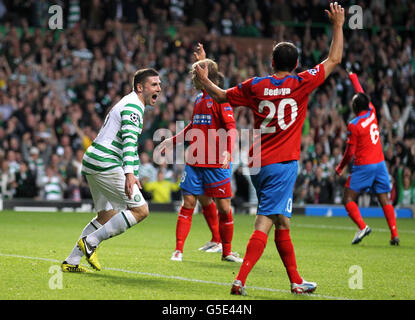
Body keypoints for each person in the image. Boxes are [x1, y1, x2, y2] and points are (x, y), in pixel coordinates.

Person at [195, 2, 345, 295]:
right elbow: (334, 59)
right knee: (265, 221)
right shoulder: (301, 82)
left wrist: (204, 81)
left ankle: (295, 281)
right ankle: (240, 280)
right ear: (296, 63)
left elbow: (223, 96)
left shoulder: (256, 85)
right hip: (282, 163)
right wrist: (338, 25)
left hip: (256, 164)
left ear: (272, 63)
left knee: (282, 220)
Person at [61, 68, 161, 272]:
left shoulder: (128, 102)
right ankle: (91, 242)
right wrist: (130, 173)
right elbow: (130, 143)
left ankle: (71, 261)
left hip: (93, 159)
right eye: (154, 84)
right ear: (140, 87)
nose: (158, 88)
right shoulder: (134, 107)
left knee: (106, 214)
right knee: (141, 210)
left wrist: (132, 171)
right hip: (105, 162)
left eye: (159, 84)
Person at [160, 43, 241, 263]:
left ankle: (226, 251)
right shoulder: (199, 99)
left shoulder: (220, 100)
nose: (192, 78)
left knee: (224, 208)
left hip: (216, 163)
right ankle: (178, 250)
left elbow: (232, 129)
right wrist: (173, 140)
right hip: (195, 161)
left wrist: (227, 152)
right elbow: (193, 127)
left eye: (196, 73)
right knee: (188, 203)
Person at [335, 71, 400, 246]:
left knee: (348, 198)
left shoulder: (354, 125)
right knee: (383, 197)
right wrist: (354, 78)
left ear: (355, 108)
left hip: (364, 166)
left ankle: (362, 227)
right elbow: (361, 93)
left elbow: (350, 152)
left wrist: (340, 168)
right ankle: (394, 234)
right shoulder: (372, 111)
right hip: (380, 164)